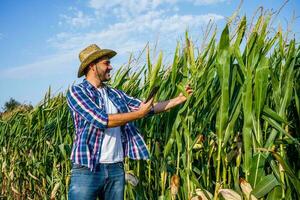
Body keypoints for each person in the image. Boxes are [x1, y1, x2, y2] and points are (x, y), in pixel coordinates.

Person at [66, 44, 193, 200]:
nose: (110, 67)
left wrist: (179, 99)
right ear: (92, 66)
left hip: (115, 168)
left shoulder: (115, 94)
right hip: (88, 167)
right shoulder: (77, 92)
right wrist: (139, 114)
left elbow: (146, 108)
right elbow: (101, 120)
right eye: (106, 63)